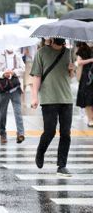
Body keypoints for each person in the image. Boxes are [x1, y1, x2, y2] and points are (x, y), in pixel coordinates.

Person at [31, 38, 75, 177]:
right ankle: (41, 151)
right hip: (48, 98)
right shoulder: (41, 52)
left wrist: (72, 70)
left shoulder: (69, 52)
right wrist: (34, 97)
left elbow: (71, 76)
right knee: (49, 131)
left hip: (66, 98)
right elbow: (37, 76)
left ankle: (62, 166)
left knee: (66, 133)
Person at [0, 48, 25, 144]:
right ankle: (2, 133)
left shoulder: (17, 55)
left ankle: (20, 133)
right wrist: (2, 74)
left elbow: (23, 69)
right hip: (2, 88)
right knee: (2, 112)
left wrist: (14, 72)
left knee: (18, 111)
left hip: (15, 87)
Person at [75, 42, 93, 127]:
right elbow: (78, 62)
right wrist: (90, 60)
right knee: (87, 99)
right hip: (86, 77)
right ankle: (90, 119)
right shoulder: (83, 49)